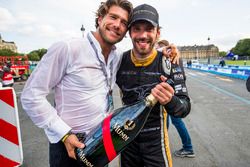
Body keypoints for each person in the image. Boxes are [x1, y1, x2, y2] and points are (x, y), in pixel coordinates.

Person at [21, 1, 178, 166]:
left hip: (102, 141)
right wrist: (64, 134)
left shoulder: (116, 58)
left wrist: (167, 50)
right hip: (70, 143)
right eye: (113, 17)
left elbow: (144, 51)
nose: (117, 25)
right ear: (100, 18)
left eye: (124, 22)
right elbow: (31, 95)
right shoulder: (68, 48)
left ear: (127, 31)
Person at [116, 4, 191, 167]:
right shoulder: (119, 61)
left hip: (156, 147)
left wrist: (170, 101)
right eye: (137, 28)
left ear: (158, 33)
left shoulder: (171, 61)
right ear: (129, 32)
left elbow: (184, 107)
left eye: (149, 29)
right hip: (126, 144)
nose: (143, 35)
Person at [157, 39, 195, 158]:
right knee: (167, 121)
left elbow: (177, 77)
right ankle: (163, 144)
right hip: (173, 94)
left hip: (172, 96)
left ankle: (188, 148)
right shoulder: (175, 58)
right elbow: (182, 76)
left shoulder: (169, 59)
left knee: (176, 121)